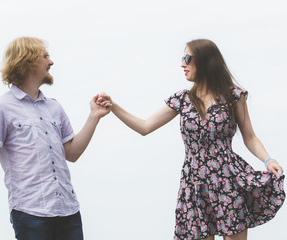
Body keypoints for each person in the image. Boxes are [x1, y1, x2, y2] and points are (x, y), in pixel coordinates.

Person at [97, 39, 285, 240]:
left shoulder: (233, 96)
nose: (182, 64)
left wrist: (268, 160)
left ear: (206, 61)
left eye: (187, 58)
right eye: (182, 58)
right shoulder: (182, 100)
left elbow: (250, 137)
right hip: (194, 184)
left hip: (228, 181)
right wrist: (113, 106)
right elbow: (145, 126)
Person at [0, 37, 110, 240]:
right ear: (27, 61)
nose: (51, 62)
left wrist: (94, 117)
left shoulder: (55, 107)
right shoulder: (0, 107)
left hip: (68, 210)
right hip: (30, 212)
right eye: (45, 56)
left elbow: (71, 153)